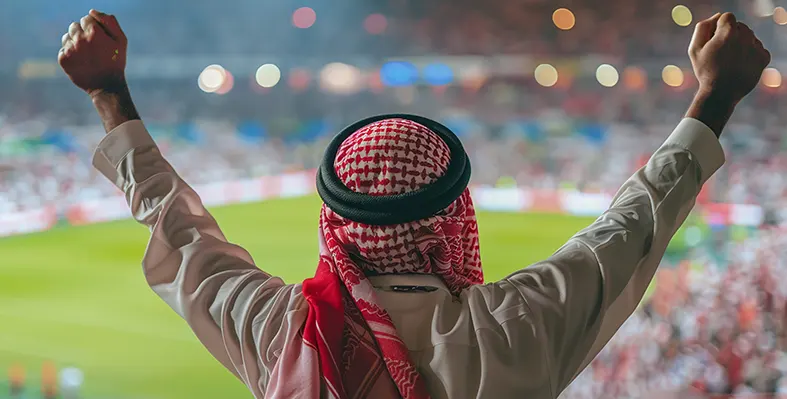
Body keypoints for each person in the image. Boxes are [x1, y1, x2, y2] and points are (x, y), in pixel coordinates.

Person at [58, 9, 769, 399]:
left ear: (337, 224)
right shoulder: (517, 328)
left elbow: (181, 233)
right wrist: (714, 98)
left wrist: (109, 96)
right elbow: (632, 226)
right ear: (452, 218)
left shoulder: (282, 331)